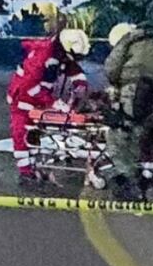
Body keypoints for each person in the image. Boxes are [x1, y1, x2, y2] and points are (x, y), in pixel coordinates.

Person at [103, 21, 153, 196]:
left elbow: (111, 68)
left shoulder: (130, 40)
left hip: (132, 93)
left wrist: (118, 85)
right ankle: (146, 173)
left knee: (119, 136)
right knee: (149, 135)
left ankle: (128, 180)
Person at [6, 28, 90, 188]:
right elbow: (31, 87)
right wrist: (54, 103)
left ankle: (35, 166)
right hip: (21, 99)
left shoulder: (58, 53)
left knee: (33, 134)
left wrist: (81, 83)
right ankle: (25, 173)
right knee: (21, 133)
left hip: (35, 98)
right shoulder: (42, 56)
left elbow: (71, 66)